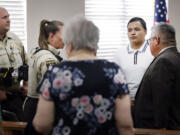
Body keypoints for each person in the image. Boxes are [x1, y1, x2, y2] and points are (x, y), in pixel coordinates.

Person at [30, 15, 134, 135]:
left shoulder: (55, 74)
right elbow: (125, 125)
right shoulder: (114, 73)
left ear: (70, 44)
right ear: (95, 42)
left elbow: (42, 125)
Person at [133, 23, 180, 129]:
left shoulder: (164, 61)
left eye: (149, 40)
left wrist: (160, 128)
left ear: (156, 40)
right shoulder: (175, 56)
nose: (149, 44)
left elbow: (161, 99)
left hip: (154, 129)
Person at [23, 19, 64, 123]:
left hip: (32, 104)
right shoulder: (49, 59)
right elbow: (52, 90)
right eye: (64, 34)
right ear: (51, 37)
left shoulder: (40, 52)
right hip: (39, 107)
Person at [113, 17, 154, 99]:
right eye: (129, 30)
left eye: (137, 29)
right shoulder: (119, 53)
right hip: (126, 101)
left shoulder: (153, 51)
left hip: (148, 101)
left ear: (145, 31)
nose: (132, 33)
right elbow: (116, 80)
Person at [0, 7, 28, 121]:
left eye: (9, 17)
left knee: (20, 130)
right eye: (4, 17)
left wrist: (26, 84)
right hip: (1, 98)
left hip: (16, 96)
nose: (9, 20)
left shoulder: (14, 38)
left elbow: (26, 63)